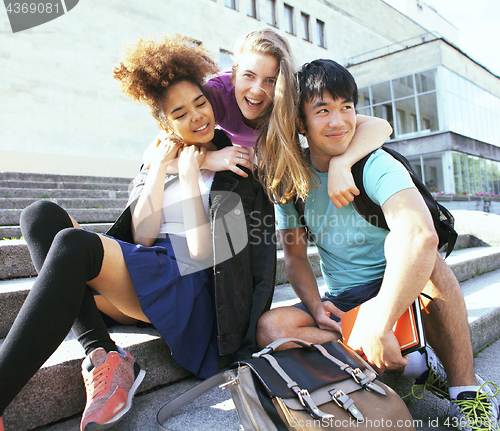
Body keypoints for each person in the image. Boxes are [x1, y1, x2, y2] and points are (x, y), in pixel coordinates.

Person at [0, 35, 276, 431]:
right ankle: (105, 356)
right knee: (40, 214)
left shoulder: (235, 169)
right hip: (149, 272)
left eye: (201, 103)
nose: (197, 117)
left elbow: (203, 255)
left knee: (74, 247)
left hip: (192, 291)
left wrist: (189, 171)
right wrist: (163, 171)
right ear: (164, 123)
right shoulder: (160, 158)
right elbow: (143, 237)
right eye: (180, 113)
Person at [256, 59, 500, 431]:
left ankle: (467, 392)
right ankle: (412, 360)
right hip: (346, 298)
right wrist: (315, 307)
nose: (338, 122)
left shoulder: (374, 163)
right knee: (273, 328)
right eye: (323, 111)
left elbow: (420, 235)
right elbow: (293, 256)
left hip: (399, 286)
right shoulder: (293, 182)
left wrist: (382, 318)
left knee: (427, 258)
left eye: (346, 108)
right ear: (302, 124)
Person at [143, 28, 393, 207]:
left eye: (270, 81)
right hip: (232, 156)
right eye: (249, 76)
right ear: (234, 73)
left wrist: (343, 163)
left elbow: (381, 126)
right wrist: (209, 158)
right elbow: (152, 158)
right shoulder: (214, 95)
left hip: (270, 158)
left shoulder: (288, 102)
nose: (256, 90)